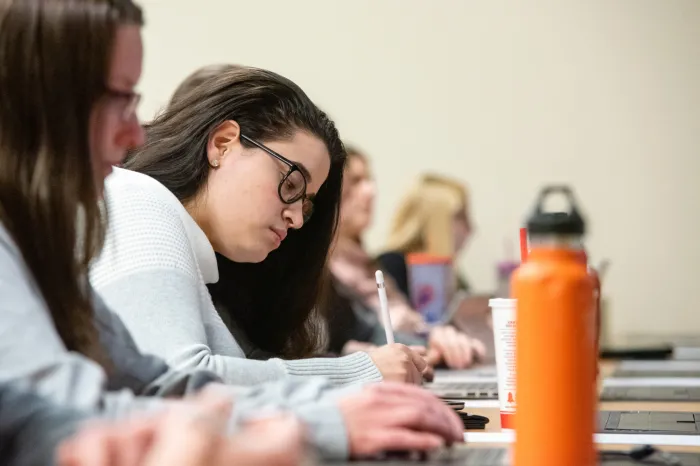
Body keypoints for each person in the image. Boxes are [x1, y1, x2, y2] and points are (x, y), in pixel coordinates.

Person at [0, 0, 463, 462]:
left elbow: (162, 383)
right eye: (117, 98)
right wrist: (345, 391)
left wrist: (339, 403)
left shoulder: (37, 239)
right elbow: (68, 415)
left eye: (307, 200)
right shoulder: (138, 198)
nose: (134, 135)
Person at [90, 64, 428, 386]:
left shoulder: (199, 256)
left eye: (305, 203)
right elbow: (179, 378)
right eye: (292, 184)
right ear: (223, 143)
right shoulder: (138, 198)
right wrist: (357, 373)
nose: (296, 219)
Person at [326, 147, 485, 369]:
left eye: (370, 180)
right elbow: (348, 340)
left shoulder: (370, 265)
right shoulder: (324, 275)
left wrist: (432, 343)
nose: (371, 190)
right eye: (355, 181)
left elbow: (375, 333)